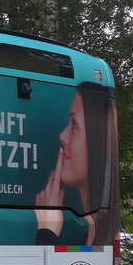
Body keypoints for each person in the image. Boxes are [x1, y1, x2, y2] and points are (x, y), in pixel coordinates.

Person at [35, 84, 116, 245]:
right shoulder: (90, 237)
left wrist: (47, 231)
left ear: (98, 140)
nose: (62, 136)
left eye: (74, 125)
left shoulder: (108, 237)